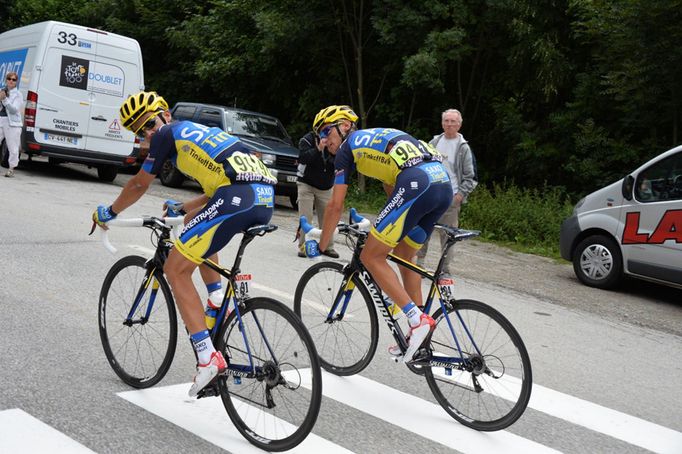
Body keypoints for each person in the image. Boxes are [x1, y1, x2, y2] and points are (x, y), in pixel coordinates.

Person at [91, 91, 276, 397]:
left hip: (239, 198)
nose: (148, 132)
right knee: (193, 223)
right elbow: (219, 188)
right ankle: (216, 296)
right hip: (261, 197)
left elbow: (138, 183)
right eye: (139, 130)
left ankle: (207, 359)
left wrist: (109, 212)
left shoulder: (167, 133)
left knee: (176, 269)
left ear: (164, 114)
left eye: (149, 123)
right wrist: (185, 207)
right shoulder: (200, 134)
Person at [311, 105, 453, 362]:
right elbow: (392, 190)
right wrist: (386, 231)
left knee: (370, 257)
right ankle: (418, 335)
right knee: (404, 255)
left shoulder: (347, 149)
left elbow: (335, 205)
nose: (323, 141)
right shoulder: (377, 139)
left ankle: (415, 318)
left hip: (417, 183)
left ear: (344, 127)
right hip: (441, 184)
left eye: (324, 132)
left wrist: (323, 245)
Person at [416, 108, 477, 273]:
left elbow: (470, 177)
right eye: (446, 121)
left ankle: (444, 269)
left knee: (448, 235)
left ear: (459, 125)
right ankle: (419, 263)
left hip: (451, 198)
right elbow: (423, 165)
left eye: (453, 121)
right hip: (431, 194)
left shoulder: (463, 148)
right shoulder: (434, 142)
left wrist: (459, 196)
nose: (449, 124)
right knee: (423, 229)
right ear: (442, 123)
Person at [295, 126, 339, 258]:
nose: (327, 132)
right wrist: (318, 148)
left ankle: (327, 247)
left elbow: (337, 163)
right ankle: (303, 246)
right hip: (306, 183)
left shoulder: (336, 141)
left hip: (325, 186)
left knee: (327, 217)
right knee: (306, 216)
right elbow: (302, 158)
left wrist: (333, 151)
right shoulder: (307, 139)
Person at [0, 71, 24, 177]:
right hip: (1, 119)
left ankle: (11, 168)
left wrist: (4, 99)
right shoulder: (2, 91)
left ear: (16, 81)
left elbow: (14, 110)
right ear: (6, 80)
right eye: (9, 79)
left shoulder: (18, 94)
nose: (11, 81)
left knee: (12, 147)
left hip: (13, 124)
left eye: (13, 79)